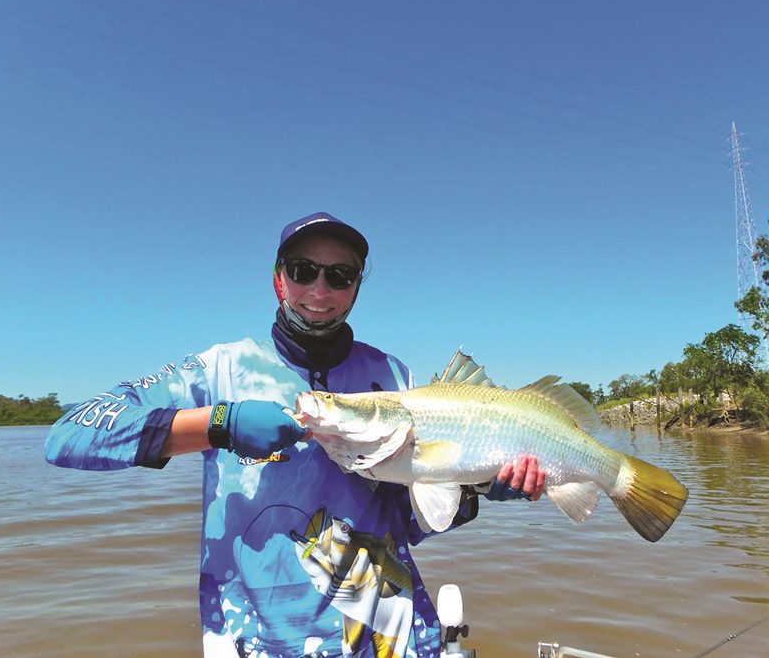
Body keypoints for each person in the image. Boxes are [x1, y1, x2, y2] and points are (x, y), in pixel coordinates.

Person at [45, 211, 544, 658]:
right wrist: (217, 424)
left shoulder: (393, 377)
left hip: (391, 636)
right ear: (279, 281)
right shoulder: (219, 368)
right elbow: (70, 435)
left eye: (340, 276)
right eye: (303, 271)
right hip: (258, 639)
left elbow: (408, 523)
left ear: (356, 288)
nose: (320, 291)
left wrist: (474, 487)